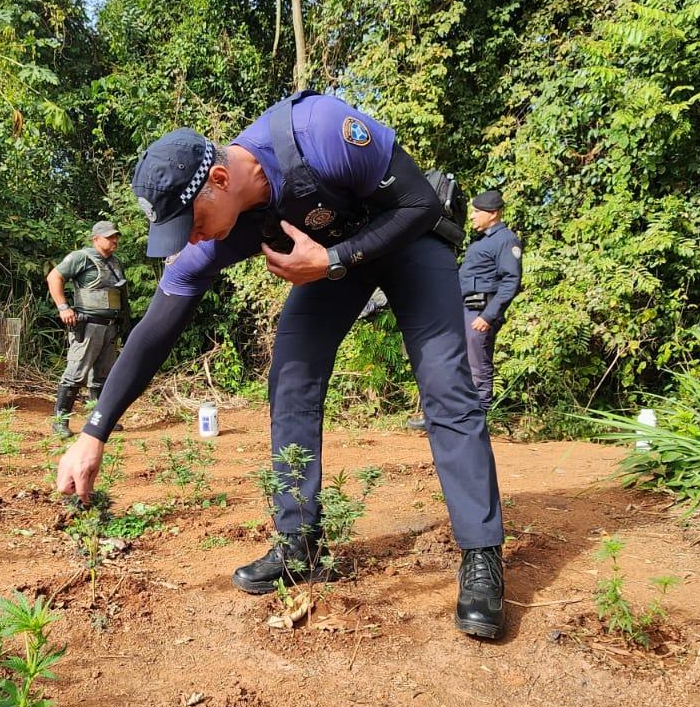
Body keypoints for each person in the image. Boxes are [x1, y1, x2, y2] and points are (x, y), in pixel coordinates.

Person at [55, 91, 508, 639]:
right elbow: (156, 327)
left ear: (220, 179)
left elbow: (421, 206)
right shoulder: (211, 237)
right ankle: (299, 544)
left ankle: (482, 555)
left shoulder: (321, 133)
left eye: (192, 222)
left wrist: (335, 258)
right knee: (291, 374)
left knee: (445, 384)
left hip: (408, 241)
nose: (191, 239)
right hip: (327, 263)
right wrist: (94, 429)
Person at [408, 189, 522, 428]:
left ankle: (476, 422)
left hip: (480, 313)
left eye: (477, 212)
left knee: (477, 366)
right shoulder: (483, 240)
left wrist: (488, 316)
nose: (471, 216)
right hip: (462, 311)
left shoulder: (506, 240)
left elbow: (511, 281)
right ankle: (446, 417)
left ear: (493, 214)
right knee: (452, 364)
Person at [47, 220, 128, 438]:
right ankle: (60, 422)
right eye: (109, 237)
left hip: (110, 327)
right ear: (96, 239)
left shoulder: (116, 262)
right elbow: (54, 276)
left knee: (102, 376)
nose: (114, 241)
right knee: (75, 374)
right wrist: (63, 307)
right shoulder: (81, 257)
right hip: (88, 325)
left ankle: (97, 421)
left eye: (115, 237)